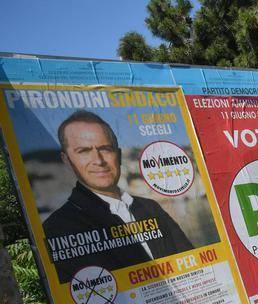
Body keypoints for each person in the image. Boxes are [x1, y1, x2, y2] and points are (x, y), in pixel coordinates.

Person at [43, 110, 193, 283]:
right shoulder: (59, 228)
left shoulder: (150, 208)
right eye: (83, 151)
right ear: (67, 160)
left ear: (119, 154)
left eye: (105, 149)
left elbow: (191, 259)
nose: (98, 160)